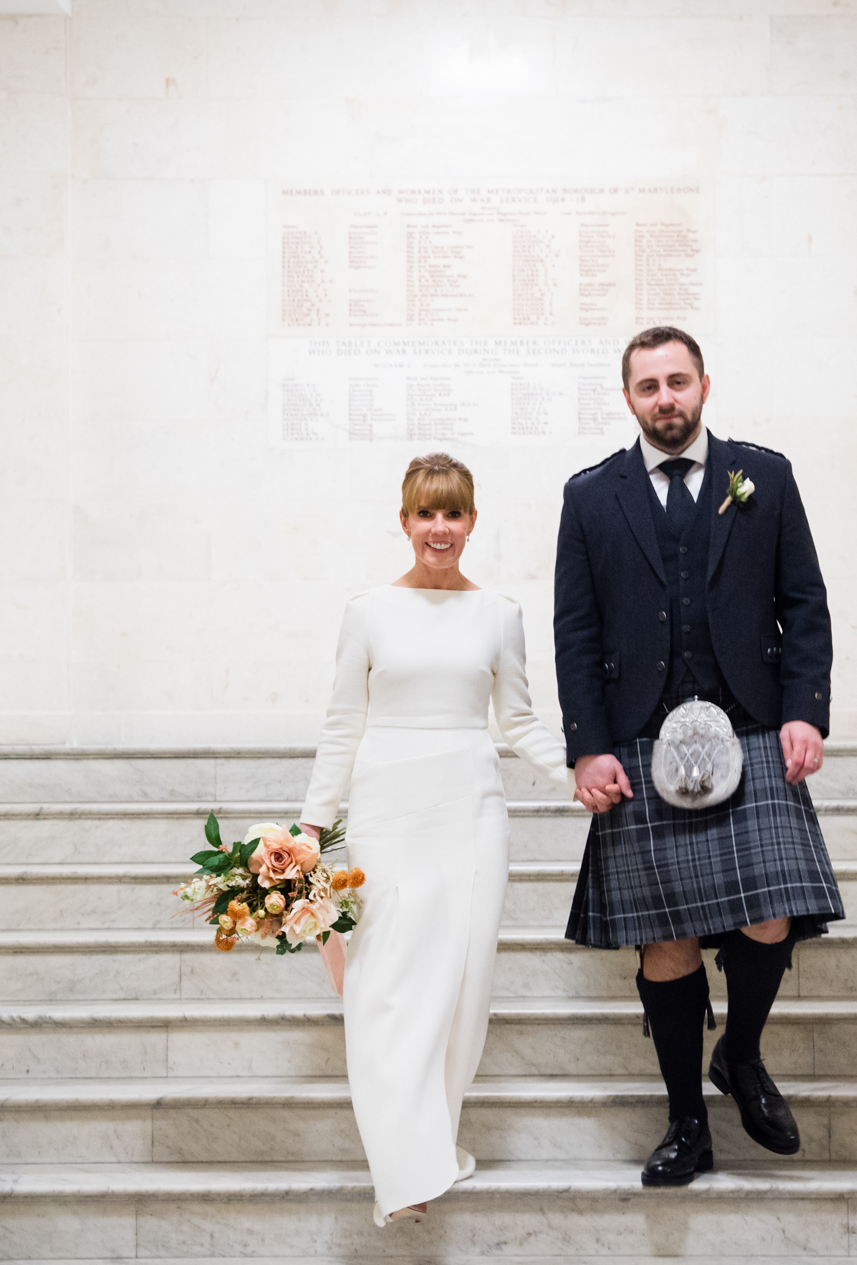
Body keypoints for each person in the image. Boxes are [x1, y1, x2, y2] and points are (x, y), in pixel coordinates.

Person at [554, 325, 843, 1187]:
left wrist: (805, 713)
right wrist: (589, 749)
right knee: (667, 942)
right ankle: (687, 1120)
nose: (664, 398)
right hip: (640, 741)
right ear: (628, 397)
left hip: (753, 727)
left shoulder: (767, 475)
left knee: (771, 913)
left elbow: (805, 603)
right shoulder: (590, 494)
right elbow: (576, 632)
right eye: (647, 386)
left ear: (705, 385)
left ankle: (741, 1054)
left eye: (677, 381)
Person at [298, 453, 573, 1226]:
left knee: (461, 986)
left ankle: (426, 1149)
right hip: (386, 809)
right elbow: (341, 722)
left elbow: (517, 721)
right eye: (426, 513)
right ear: (405, 520)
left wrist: (578, 777)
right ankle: (400, 1159)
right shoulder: (369, 610)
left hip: (471, 810)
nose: (440, 528)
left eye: (453, 513)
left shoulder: (500, 613)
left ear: (473, 521)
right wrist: (313, 824)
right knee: (384, 986)